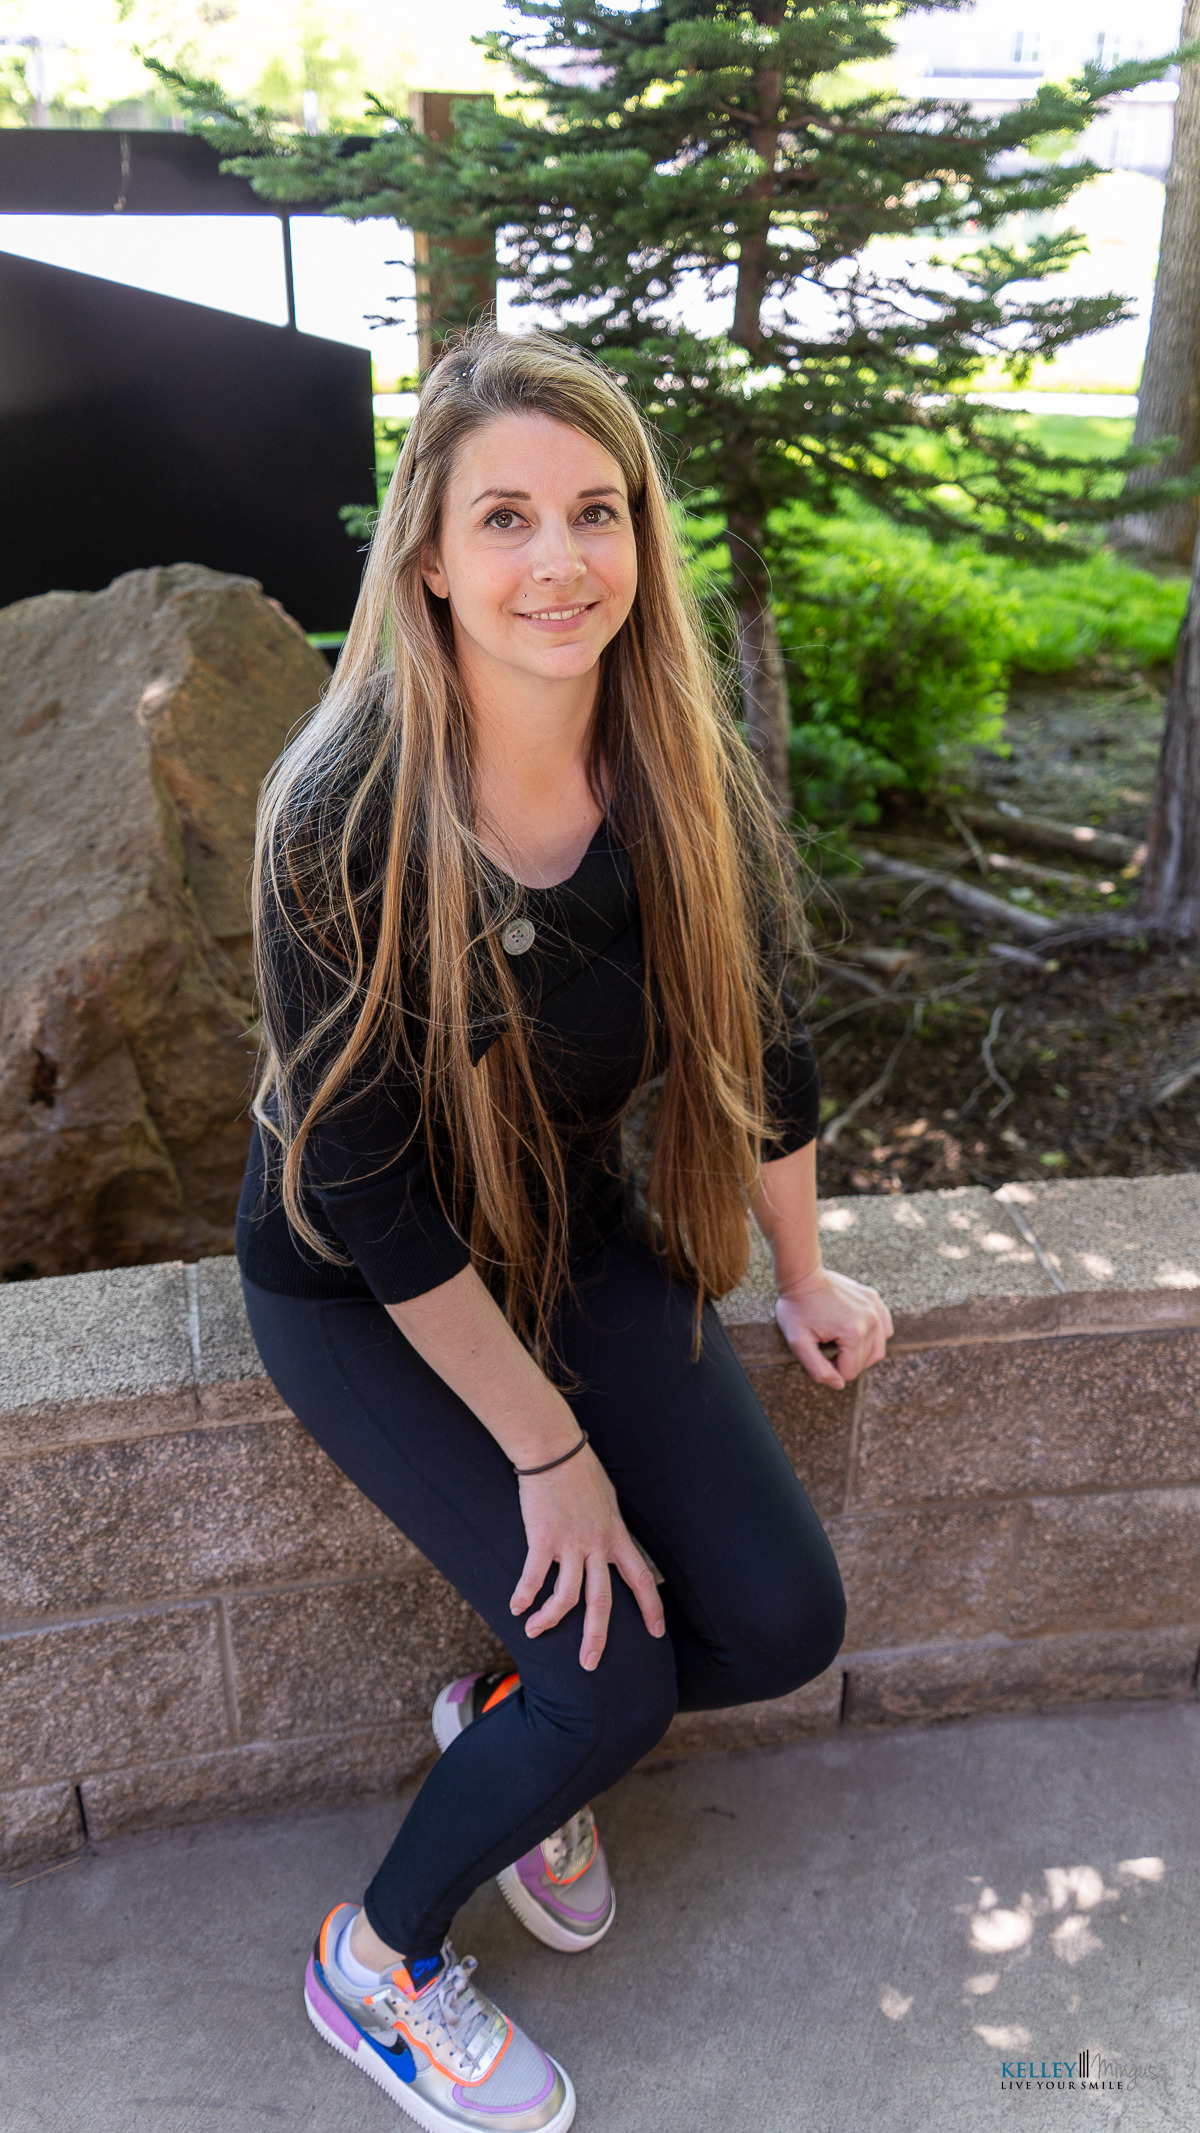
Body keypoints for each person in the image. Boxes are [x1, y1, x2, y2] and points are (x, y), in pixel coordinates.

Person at [236, 325, 892, 2133]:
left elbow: (763, 1033)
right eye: (506, 517)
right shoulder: (339, 812)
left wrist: (804, 1270)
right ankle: (377, 1962)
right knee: (617, 1689)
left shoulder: (673, 759)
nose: (560, 559)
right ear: (432, 558)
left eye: (597, 511)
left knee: (779, 1620)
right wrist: (554, 1452)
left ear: (641, 539)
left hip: (566, 1225)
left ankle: (511, 1713)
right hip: (358, 1280)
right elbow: (365, 1185)